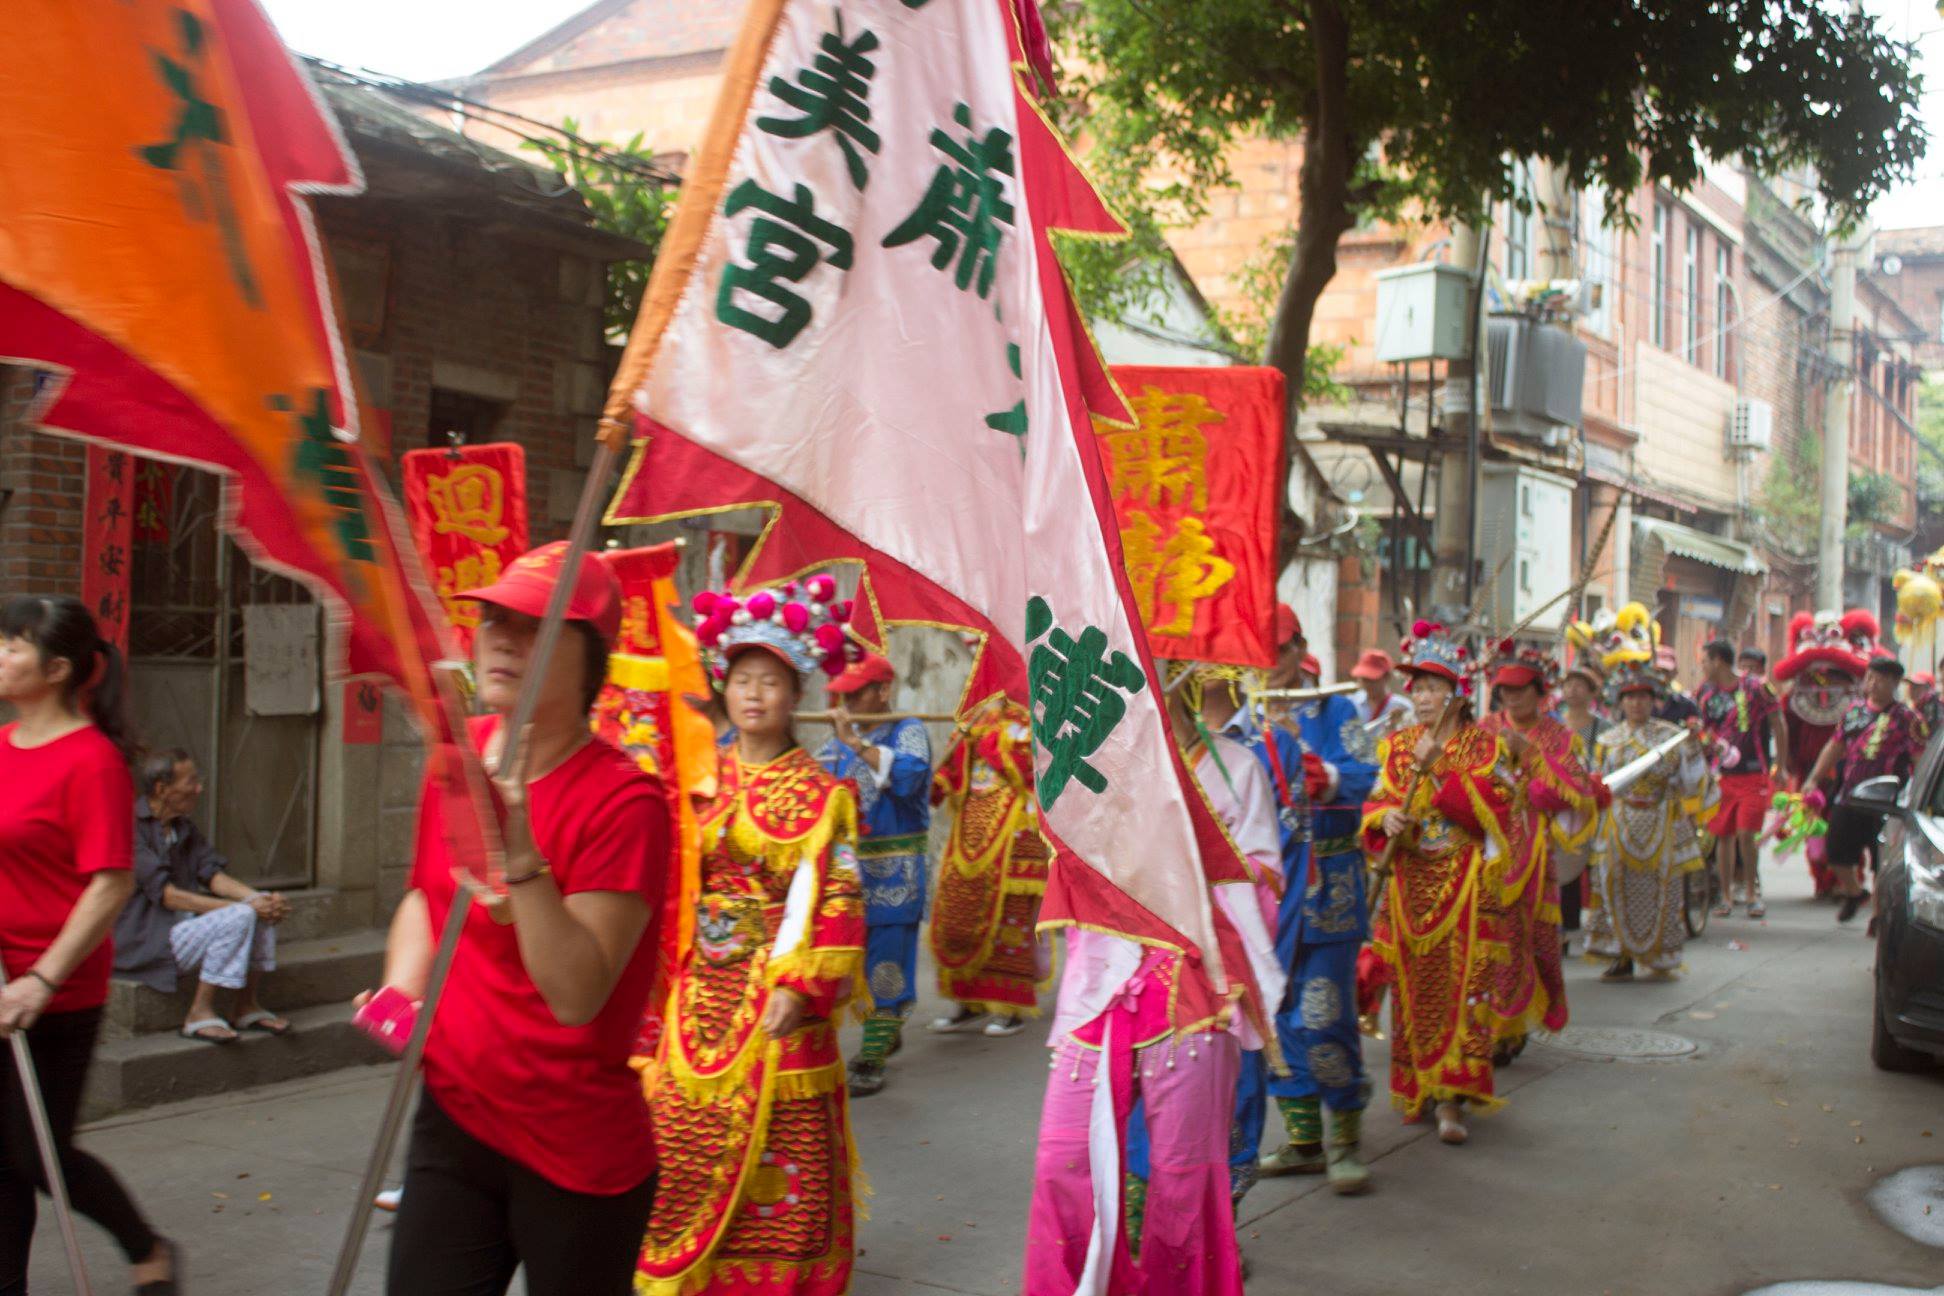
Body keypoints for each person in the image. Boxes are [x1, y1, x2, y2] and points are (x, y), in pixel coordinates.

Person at [373, 543, 671, 1296]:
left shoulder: (625, 801)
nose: (502, 639)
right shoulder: (459, 753)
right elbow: (426, 897)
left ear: (591, 658)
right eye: (494, 619)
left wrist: (522, 858)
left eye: (534, 626)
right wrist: (401, 994)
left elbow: (577, 994)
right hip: (455, 1114)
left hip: (573, 1149)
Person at [638, 582, 866, 1296]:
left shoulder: (823, 793)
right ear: (724, 689)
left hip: (776, 989)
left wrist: (801, 988)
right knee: (678, 1128)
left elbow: (838, 895)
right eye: (742, 680)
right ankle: (688, 1269)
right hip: (698, 989)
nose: (754, 695)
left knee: (784, 1138)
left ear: (794, 694)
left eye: (770, 681)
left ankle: (774, 1280)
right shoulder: (696, 778)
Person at [1021, 675, 1276, 1296]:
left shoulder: (1237, 768)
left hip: (1193, 987)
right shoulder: (1089, 762)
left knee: (1184, 1180)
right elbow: (1063, 858)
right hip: (1098, 987)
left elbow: (1264, 879)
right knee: (1061, 1162)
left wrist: (1188, 851)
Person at [0, 595, 176, 1294]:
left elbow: (110, 884)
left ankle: (148, 1248)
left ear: (57, 670)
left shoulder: (92, 761)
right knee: (1, 1158)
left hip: (56, 988)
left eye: (12, 646)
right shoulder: (1, 746)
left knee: (36, 1154)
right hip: (0, 977)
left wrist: (40, 980)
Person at [1122, 664, 1286, 1242]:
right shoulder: (1127, 766)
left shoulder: (1239, 767)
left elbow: (1267, 867)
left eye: (1162, 674)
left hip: (1221, 956)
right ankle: (1144, 1233)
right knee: (1141, 1088)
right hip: (1146, 952)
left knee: (1228, 1094)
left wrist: (1201, 863)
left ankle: (1216, 1233)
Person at [1362, 621, 1530, 1147]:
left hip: (1464, 883)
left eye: (1433, 687)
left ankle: (1452, 1096)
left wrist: (1439, 769)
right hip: (1410, 883)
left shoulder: (1484, 748)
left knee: (1462, 989)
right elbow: (1376, 801)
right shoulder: (1397, 746)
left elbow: (1493, 815)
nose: (1421, 697)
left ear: (1456, 697)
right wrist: (1385, 818)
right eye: (1417, 687)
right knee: (1412, 991)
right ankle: (1419, 1087)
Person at [1255, 613, 1377, 1193]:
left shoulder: (1334, 709)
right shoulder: (1245, 715)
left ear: (1299, 647)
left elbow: (1364, 775)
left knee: (1325, 1014)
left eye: (1279, 649)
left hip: (1330, 885)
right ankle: (1303, 1139)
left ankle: (1345, 1138)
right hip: (1269, 893)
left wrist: (1322, 776)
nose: (1270, 661)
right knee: (1277, 1016)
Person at [112, 749, 291, 1043]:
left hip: (181, 930)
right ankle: (198, 1012)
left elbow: (212, 874)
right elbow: (168, 896)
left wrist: (259, 899)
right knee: (242, 913)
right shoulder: (129, 828)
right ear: (162, 789)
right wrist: (240, 908)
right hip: (145, 940)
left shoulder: (182, 827)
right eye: (191, 782)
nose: (199, 789)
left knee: (256, 905)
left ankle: (245, 1005)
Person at [1478, 643, 1603, 1056]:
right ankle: (1485, 1019)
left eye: (1520, 689)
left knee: (1523, 938)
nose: (1511, 698)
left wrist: (1528, 757)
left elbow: (1573, 793)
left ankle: (1511, 1024)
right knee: (1485, 937)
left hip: (1532, 850)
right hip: (1483, 849)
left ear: (1539, 691)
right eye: (1505, 690)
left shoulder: (1556, 737)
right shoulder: (1483, 728)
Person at [817, 652, 931, 1095]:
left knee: (886, 964)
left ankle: (871, 1058)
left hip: (895, 872)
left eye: (855, 693)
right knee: (849, 962)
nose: (846, 702)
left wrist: (856, 744)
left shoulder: (909, 730)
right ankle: (885, 1028)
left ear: (883, 691)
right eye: (842, 694)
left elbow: (910, 778)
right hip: (849, 874)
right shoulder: (838, 741)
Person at [1585, 662, 1715, 980]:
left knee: (1663, 888)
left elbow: (1691, 782)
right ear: (1621, 702)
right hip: (1618, 821)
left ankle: (1660, 957)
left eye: (1643, 697)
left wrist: (1693, 748)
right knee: (1613, 883)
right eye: (1630, 697)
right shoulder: (1608, 740)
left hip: (1661, 818)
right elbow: (1597, 784)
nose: (1636, 703)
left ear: (1653, 700)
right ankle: (1620, 956)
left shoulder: (1672, 738)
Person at [926, 698, 1048, 1037]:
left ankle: (1009, 1006)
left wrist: (992, 743)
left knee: (1009, 919)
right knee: (958, 912)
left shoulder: (1030, 719)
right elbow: (951, 772)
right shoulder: (973, 719)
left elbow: (1032, 769)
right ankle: (967, 1001)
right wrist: (934, 783)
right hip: (968, 829)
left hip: (1013, 832)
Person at [1805, 656, 1928, 925]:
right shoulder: (1854, 711)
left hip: (1887, 803)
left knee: (1881, 863)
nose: (1872, 684)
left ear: (1895, 683)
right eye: (1869, 677)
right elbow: (1834, 746)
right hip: (1849, 796)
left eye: (1879, 679)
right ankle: (1854, 892)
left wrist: (1920, 798)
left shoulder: (1908, 719)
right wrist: (1813, 779)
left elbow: (1920, 760)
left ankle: (1878, 917)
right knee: (1835, 853)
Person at [1772, 610, 1873, 899]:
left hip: (1848, 770)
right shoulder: (1794, 698)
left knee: (1846, 826)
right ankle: (1823, 880)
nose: (1824, 684)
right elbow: (1787, 728)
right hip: (1809, 769)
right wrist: (1787, 761)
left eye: (1834, 677)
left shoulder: (1861, 703)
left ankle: (1846, 880)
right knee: (1814, 823)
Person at [1693, 639, 1791, 919]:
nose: (1703, 667)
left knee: (1746, 834)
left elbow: (1778, 724)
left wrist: (1781, 765)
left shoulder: (1757, 687)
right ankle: (1725, 896)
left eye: (1705, 661)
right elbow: (1700, 731)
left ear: (1718, 661)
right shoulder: (1704, 693)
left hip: (1753, 773)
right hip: (1720, 776)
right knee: (1722, 836)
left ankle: (1750, 893)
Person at [1554, 664, 1609, 945]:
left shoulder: (1603, 727)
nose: (1572, 690)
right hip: (1561, 799)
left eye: (1579, 685)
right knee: (1564, 858)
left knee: (1593, 859)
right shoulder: (1554, 723)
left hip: (1593, 798)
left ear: (1591, 692)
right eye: (1568, 685)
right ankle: (1564, 923)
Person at [1349, 648, 1413, 740]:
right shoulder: (1351, 703)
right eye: (1364, 679)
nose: (1367, 684)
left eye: (1372, 679)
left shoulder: (1403, 707)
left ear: (1386, 677)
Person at [1653, 645, 1699, 725]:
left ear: (1675, 672)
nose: (1662, 676)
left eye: (1666, 671)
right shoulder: (1639, 701)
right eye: (1658, 671)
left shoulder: (1686, 705)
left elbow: (1696, 725)